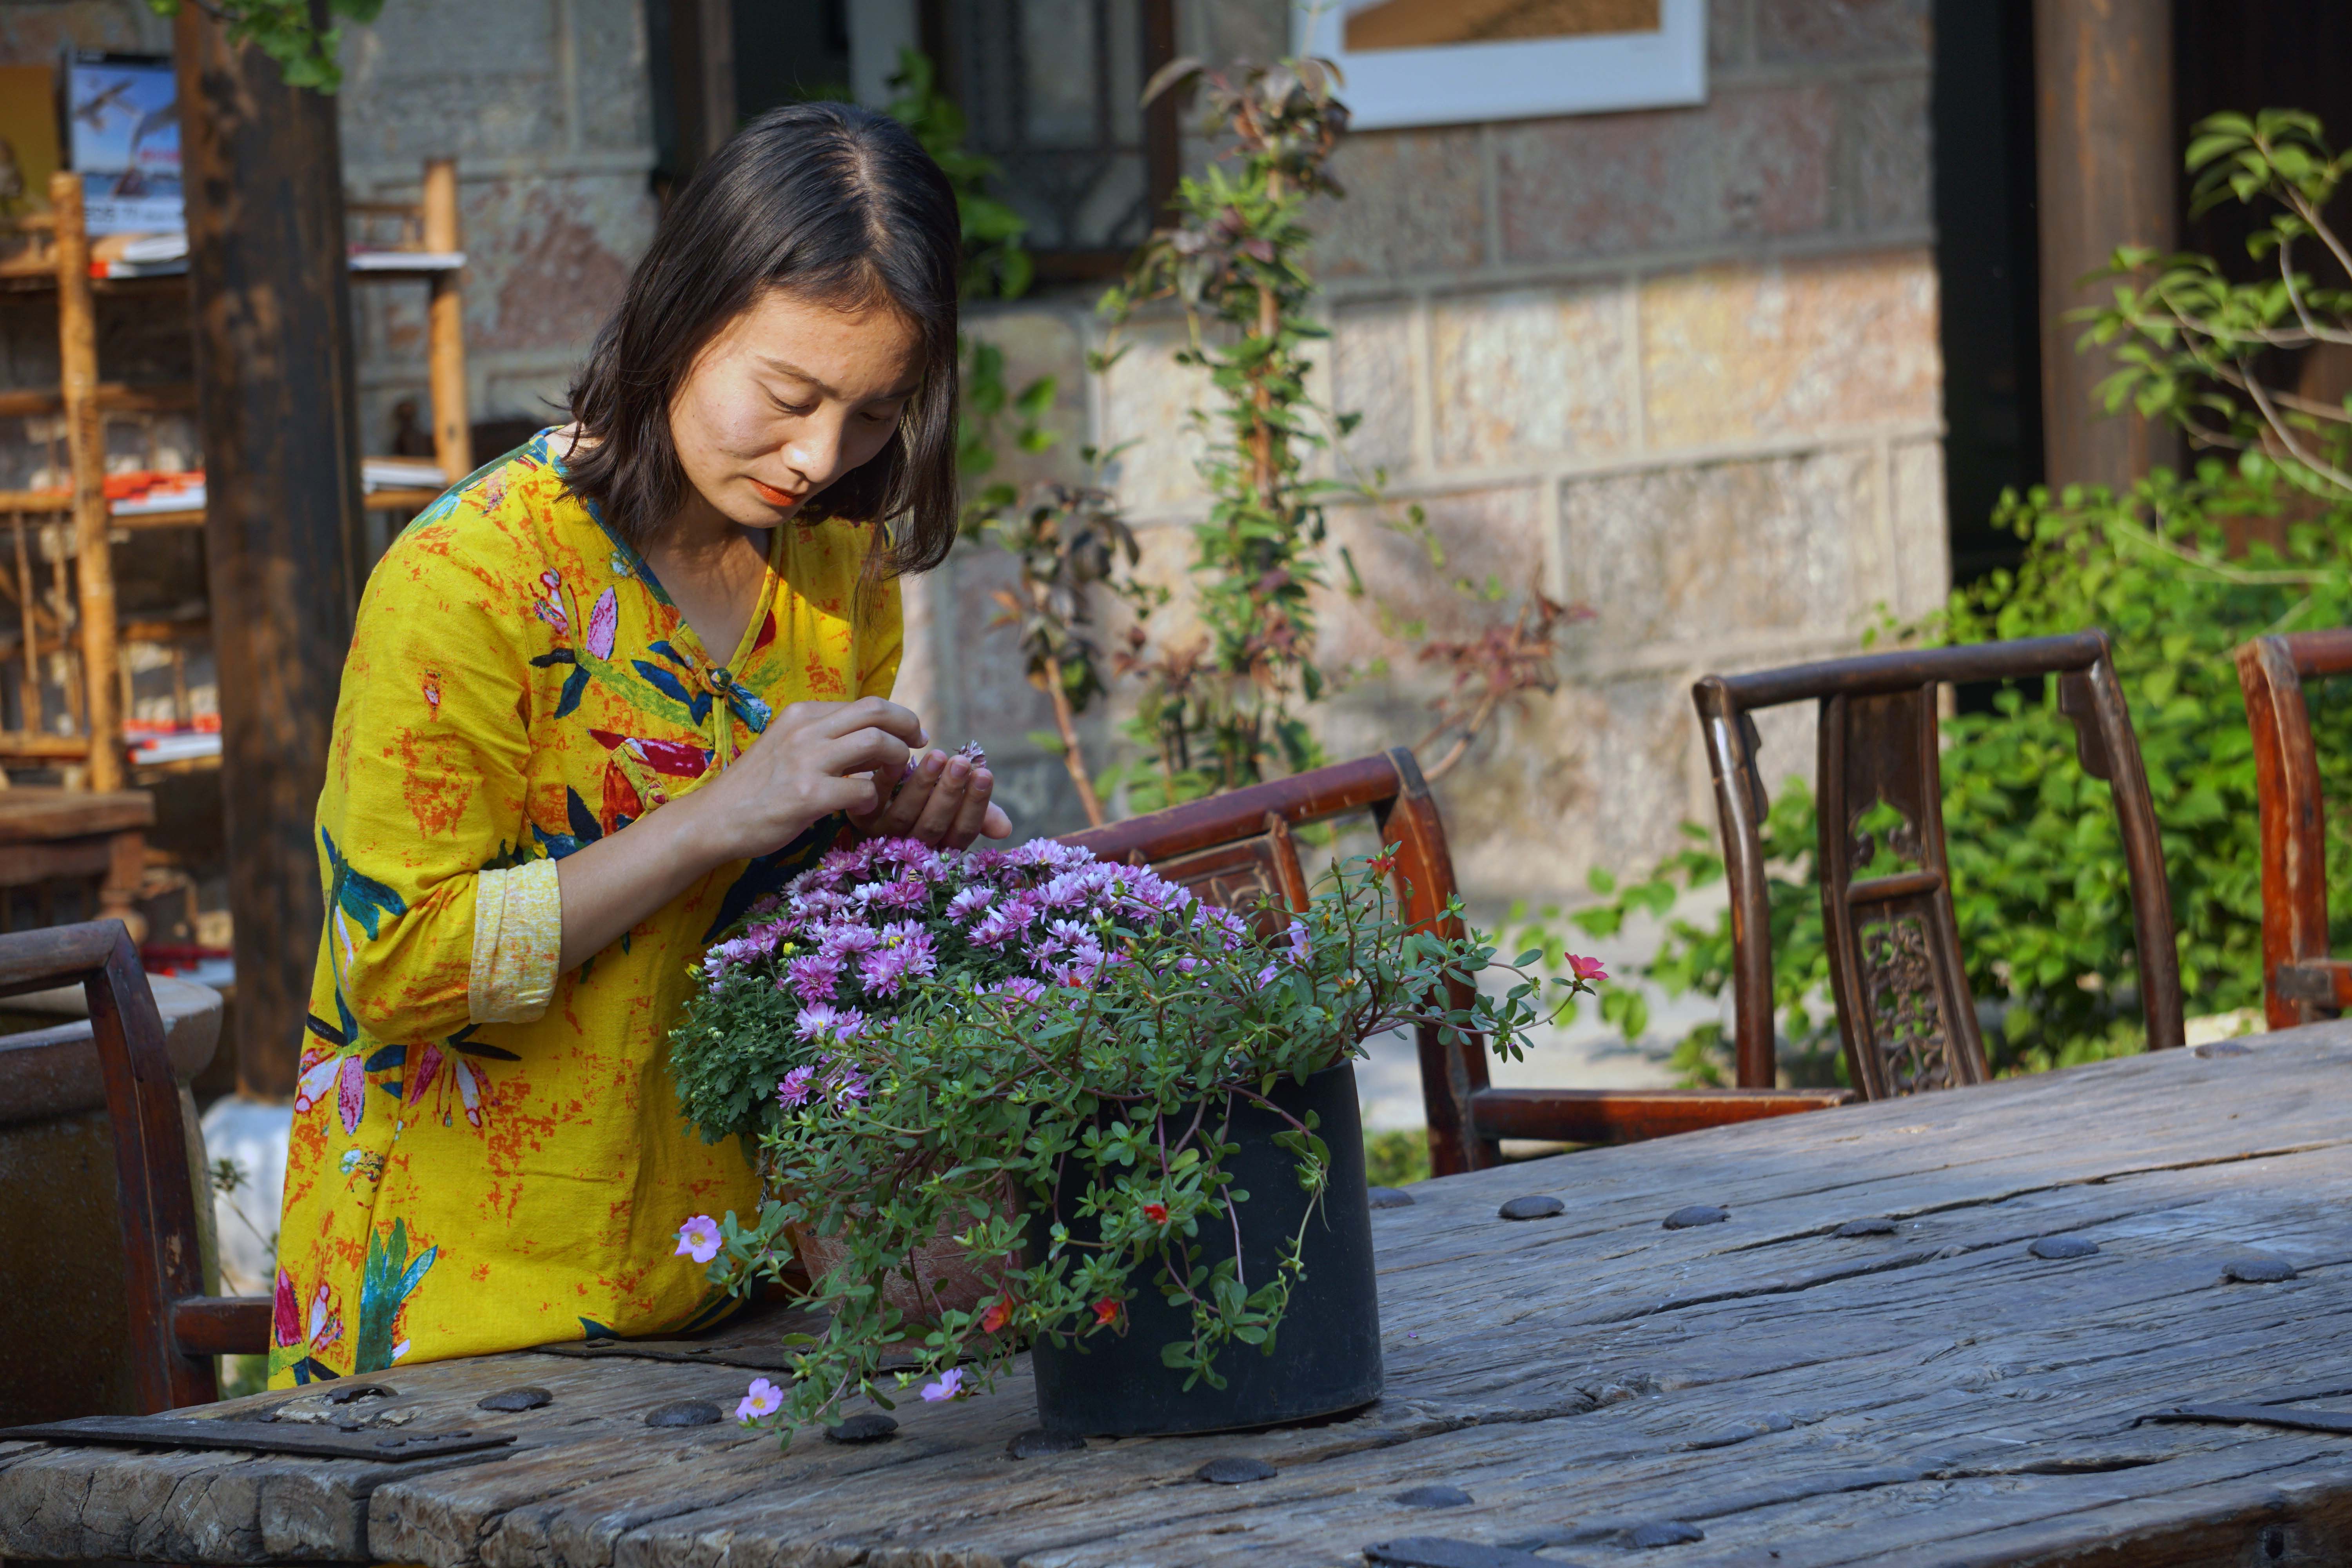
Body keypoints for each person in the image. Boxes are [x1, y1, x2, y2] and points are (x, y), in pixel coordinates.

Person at [268, 103, 1006, 1385]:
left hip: (744, 1283)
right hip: (460, 1321)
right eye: (789, 395)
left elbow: (770, 930)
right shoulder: (468, 579)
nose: (820, 457)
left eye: (878, 416)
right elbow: (392, 967)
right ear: (683, 312)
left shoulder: (839, 570)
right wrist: (719, 814)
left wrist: (882, 847)